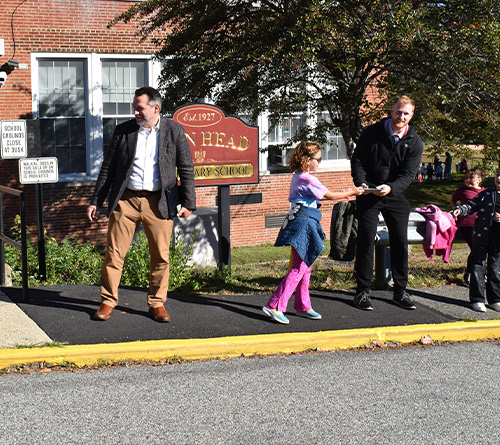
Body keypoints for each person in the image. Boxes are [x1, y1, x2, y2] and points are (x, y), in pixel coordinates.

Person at [87, 86, 196, 322]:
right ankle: (107, 302)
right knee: (114, 253)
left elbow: (186, 168)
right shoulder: (123, 131)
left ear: (155, 108)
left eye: (140, 108)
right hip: (125, 200)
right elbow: (108, 168)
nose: (135, 112)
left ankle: (157, 304)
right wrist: (96, 199)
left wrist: (188, 202)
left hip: (159, 202)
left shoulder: (174, 131)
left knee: (160, 256)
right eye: (134, 108)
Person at [262, 141, 363, 324]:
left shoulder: (299, 176)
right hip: (304, 223)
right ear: (308, 160)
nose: (320, 162)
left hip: (298, 220)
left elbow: (321, 194)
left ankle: (302, 305)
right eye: (318, 159)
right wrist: (353, 191)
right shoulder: (308, 179)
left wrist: (344, 194)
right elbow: (330, 196)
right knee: (299, 267)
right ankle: (275, 306)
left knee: (305, 265)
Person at [351, 95, 424, 311]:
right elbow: (358, 161)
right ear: (391, 110)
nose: (401, 116)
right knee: (365, 240)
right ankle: (362, 292)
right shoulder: (372, 132)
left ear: (411, 116)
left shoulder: (415, 141)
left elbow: (409, 174)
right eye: (398, 111)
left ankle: (400, 291)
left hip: (394, 194)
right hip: (369, 192)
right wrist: (361, 183)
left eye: (406, 113)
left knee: (400, 242)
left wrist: (391, 187)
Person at [451, 168, 500, 312]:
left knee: (496, 268)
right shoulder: (486, 193)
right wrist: (460, 210)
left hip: (498, 240)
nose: (499, 179)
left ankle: (495, 299)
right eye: (498, 175)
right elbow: (471, 205)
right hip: (481, 236)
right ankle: (477, 299)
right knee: (478, 266)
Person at [450, 168, 484, 285]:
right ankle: (471, 274)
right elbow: (453, 200)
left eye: (471, 178)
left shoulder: (484, 192)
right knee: (476, 248)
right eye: (466, 178)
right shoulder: (462, 190)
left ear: (479, 180)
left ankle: (474, 273)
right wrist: (456, 210)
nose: (468, 180)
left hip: (480, 225)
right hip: (466, 224)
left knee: (479, 249)